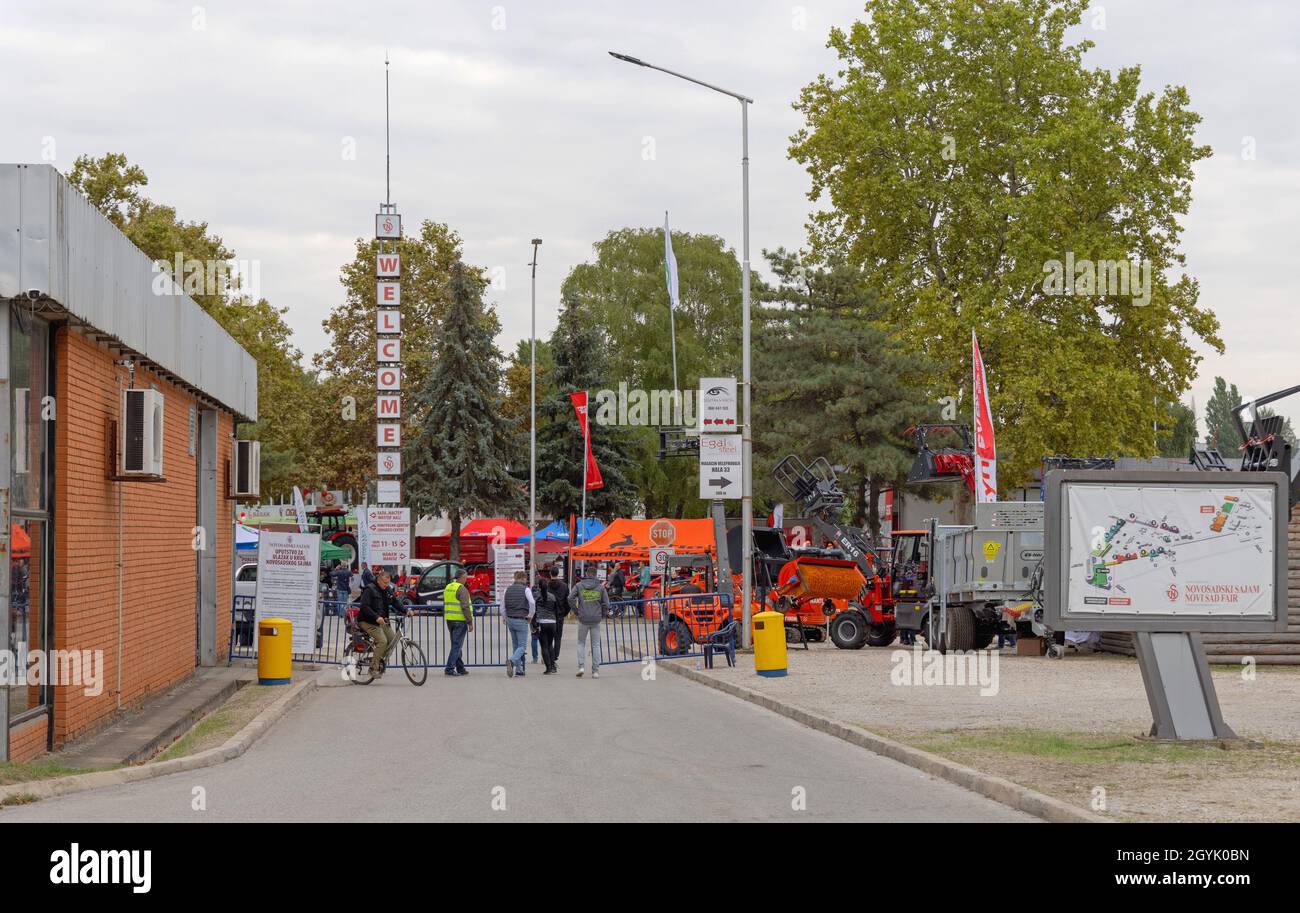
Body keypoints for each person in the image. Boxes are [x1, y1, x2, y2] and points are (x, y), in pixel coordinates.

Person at [357, 568, 405, 679]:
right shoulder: (369, 589)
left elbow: (395, 601)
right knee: (383, 641)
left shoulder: (387, 589)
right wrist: (376, 617)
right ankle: (373, 668)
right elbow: (364, 607)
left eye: (388, 583)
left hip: (381, 620)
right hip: (367, 621)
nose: (386, 585)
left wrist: (406, 611)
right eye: (384, 582)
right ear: (378, 580)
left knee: (393, 639)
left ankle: (379, 660)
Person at [570, 570, 609, 678]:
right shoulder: (601, 587)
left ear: (586, 575)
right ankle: (595, 671)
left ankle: (581, 667)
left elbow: (570, 598)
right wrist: (603, 614)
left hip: (583, 618)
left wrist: (576, 611)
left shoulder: (579, 585)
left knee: (581, 643)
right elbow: (606, 603)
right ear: (595, 575)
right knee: (596, 644)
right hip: (596, 618)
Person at [501, 570, 535, 678]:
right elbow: (532, 603)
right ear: (523, 578)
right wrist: (530, 615)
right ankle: (511, 661)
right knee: (522, 647)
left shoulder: (507, 589)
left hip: (510, 619)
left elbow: (502, 606)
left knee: (515, 645)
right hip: (521, 619)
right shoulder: (526, 589)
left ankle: (519, 670)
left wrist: (505, 617)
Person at [442, 568, 474, 676]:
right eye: (465, 577)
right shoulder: (462, 589)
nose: (466, 580)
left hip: (449, 619)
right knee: (457, 645)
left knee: (456, 645)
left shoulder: (448, 587)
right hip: (460, 620)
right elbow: (465, 606)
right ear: (462, 577)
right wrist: (470, 622)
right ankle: (449, 668)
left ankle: (460, 668)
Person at [532, 572, 560, 674]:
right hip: (552, 622)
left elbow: (533, 610)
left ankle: (548, 668)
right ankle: (553, 666)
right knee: (550, 645)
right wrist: (556, 623)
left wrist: (534, 624)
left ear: (539, 586)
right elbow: (556, 611)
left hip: (542, 623)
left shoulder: (536, 596)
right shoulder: (552, 597)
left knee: (544, 646)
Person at [545, 565, 570, 662]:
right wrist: (564, 612)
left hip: (548, 614)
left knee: (548, 637)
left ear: (550, 574)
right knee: (558, 637)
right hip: (559, 614)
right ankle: (555, 656)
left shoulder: (546, 586)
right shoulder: (564, 586)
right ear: (558, 574)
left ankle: (549, 655)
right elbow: (567, 602)